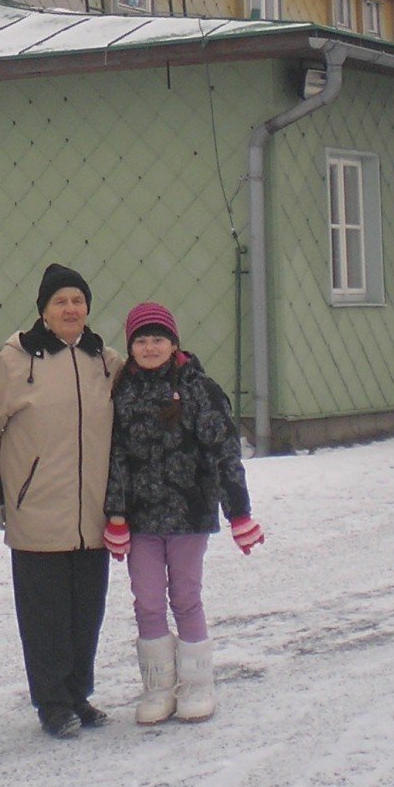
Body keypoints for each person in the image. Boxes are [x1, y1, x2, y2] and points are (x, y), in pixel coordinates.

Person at [0, 262, 122, 738]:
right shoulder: (17, 360)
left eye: (78, 301)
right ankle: (52, 702)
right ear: (43, 310)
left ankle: (79, 694)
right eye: (61, 302)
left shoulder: (106, 361)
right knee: (44, 617)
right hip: (36, 511)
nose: (71, 309)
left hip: (92, 513)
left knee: (87, 612)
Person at [101, 301, 263, 725]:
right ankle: (158, 686)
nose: (150, 347)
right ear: (130, 346)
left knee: (186, 597)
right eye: (141, 340)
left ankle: (196, 683)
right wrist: (116, 514)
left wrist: (239, 513)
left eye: (158, 339)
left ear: (174, 344)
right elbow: (115, 457)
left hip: (189, 516)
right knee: (148, 600)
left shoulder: (198, 389)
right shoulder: (123, 391)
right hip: (142, 520)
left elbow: (223, 453)